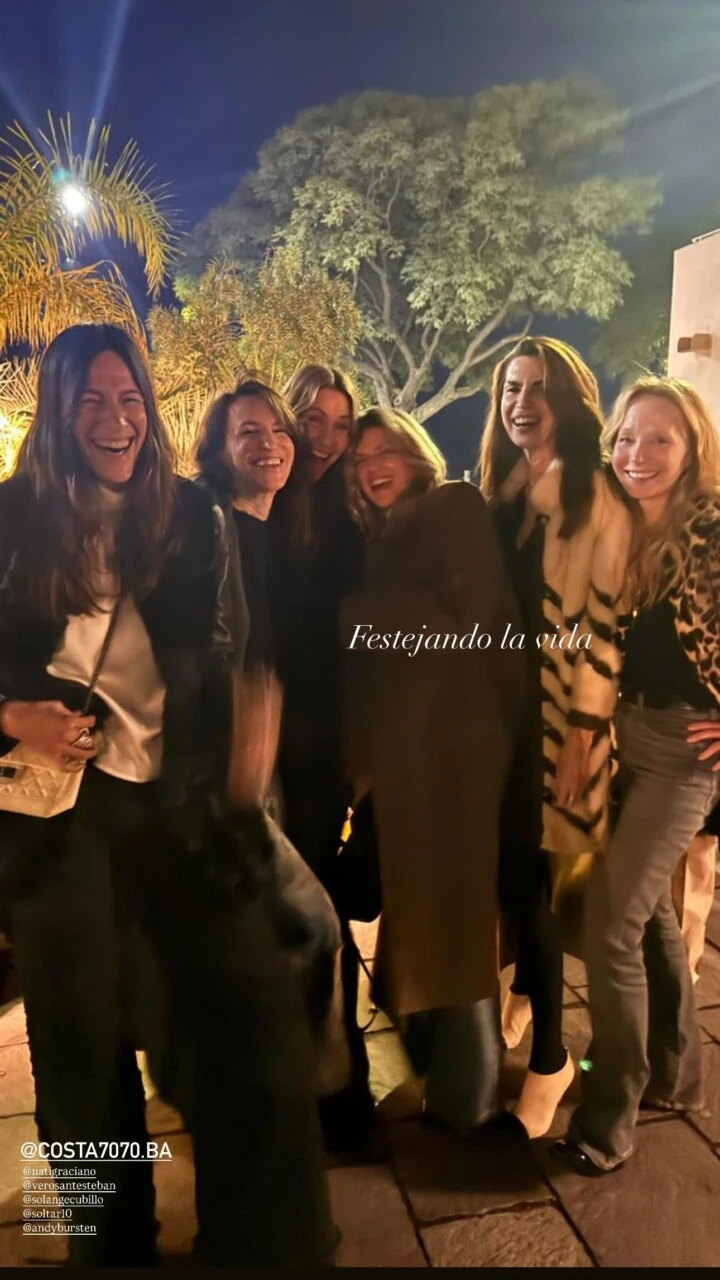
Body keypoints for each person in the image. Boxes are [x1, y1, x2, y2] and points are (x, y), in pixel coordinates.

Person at [0, 327, 336, 1267]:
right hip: (62, 819)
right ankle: (104, 1248)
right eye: (92, 401)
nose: (117, 421)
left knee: (242, 1024)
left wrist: (240, 746)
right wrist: (14, 713)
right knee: (77, 1052)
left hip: (181, 804)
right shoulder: (12, 517)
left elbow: (220, 648)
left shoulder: (190, 513)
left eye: (130, 400)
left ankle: (265, 1244)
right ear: (57, 412)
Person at [340, 406, 524, 1134]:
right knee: (422, 914)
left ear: (415, 454)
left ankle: (468, 1096)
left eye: (385, 451)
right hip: (408, 756)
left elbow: (467, 622)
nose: (373, 466)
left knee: (455, 921)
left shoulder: (453, 506)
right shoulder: (381, 533)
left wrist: (354, 614)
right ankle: (441, 1074)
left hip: (458, 750)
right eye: (361, 459)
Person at [553, 376, 720, 1175]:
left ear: (692, 449)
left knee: (609, 923)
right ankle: (680, 1074)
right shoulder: (617, 531)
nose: (638, 453)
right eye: (626, 438)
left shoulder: (712, 532)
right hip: (623, 736)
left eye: (659, 439)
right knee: (647, 911)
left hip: (685, 751)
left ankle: (608, 1115)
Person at [480, 337, 632, 1138]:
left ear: (569, 400)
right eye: (512, 388)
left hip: (560, 722)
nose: (522, 403)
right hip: (503, 718)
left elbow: (604, 627)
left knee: (536, 885)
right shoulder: (506, 491)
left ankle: (551, 1059)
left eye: (539, 388)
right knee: (516, 877)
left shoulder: (591, 493)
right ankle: (524, 994)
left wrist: (582, 732)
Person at [194, 376, 348, 1097]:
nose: (270, 444)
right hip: (231, 769)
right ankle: (294, 1094)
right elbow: (201, 648)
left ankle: (286, 1090)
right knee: (304, 929)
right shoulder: (208, 528)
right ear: (218, 449)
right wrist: (237, 734)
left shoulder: (283, 526)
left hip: (273, 764)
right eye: (248, 432)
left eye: (278, 430)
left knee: (277, 936)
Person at [282, 364, 375, 1153]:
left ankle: (344, 1090)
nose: (326, 437)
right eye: (313, 419)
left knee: (320, 908)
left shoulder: (353, 517)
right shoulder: (257, 501)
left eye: (341, 425)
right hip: (255, 736)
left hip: (322, 740)